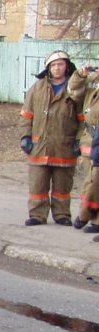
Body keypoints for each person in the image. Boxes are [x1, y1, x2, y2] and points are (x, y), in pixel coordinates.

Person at [19, 50, 84, 226]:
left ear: (67, 66)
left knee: (63, 186)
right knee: (37, 185)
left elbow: (83, 119)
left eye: (60, 64)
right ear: (48, 68)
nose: (57, 68)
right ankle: (37, 215)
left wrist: (79, 140)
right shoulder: (37, 88)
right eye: (53, 65)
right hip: (38, 147)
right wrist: (25, 136)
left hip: (65, 147)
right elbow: (26, 116)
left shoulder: (75, 89)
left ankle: (62, 214)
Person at [70, 64, 99, 233]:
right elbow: (73, 90)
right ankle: (92, 218)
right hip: (90, 137)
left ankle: (88, 216)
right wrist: (80, 75)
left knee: (95, 181)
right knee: (90, 181)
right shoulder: (93, 79)